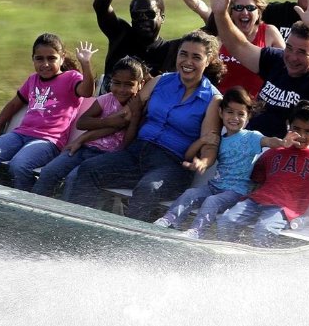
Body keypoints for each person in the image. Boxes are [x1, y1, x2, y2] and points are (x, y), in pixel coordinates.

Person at [64, 31, 224, 220]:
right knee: (90, 169)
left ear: (209, 60)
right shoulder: (160, 81)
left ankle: (132, 245)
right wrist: (84, 136)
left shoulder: (212, 99)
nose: (187, 62)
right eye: (183, 54)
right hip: (137, 153)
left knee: (147, 189)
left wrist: (203, 162)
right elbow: (124, 116)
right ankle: (80, 229)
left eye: (196, 57)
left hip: (171, 164)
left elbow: (210, 143)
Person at [206, 0, 309, 139]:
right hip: (250, 145)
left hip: (285, 156)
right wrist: (221, 14)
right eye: (289, 48)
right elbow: (238, 46)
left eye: (302, 52)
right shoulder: (276, 60)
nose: (292, 57)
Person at [152, 86, 293, 239]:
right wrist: (202, 147)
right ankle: (171, 220)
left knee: (212, 201)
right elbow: (190, 154)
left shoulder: (251, 137)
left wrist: (283, 142)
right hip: (215, 186)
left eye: (241, 114)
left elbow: (269, 141)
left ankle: (197, 231)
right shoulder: (218, 137)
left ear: (248, 116)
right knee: (190, 193)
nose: (235, 118)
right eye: (230, 112)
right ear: (221, 113)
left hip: (236, 192)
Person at [215, 99, 309, 246]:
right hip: (256, 200)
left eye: (308, 131)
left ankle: (256, 266)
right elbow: (256, 180)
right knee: (226, 221)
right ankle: (229, 258)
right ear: (288, 125)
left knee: (263, 229)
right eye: (296, 129)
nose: (301, 135)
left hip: (284, 209)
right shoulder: (274, 152)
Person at [0, 34, 96, 191]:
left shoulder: (71, 78)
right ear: (33, 59)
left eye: (51, 58)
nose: (45, 64)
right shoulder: (32, 80)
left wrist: (86, 64)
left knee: (19, 165)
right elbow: (12, 105)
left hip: (48, 141)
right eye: (39, 59)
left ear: (62, 58)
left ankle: (25, 202)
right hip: (20, 135)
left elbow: (88, 91)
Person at [166, 0, 284, 98]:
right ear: (231, 12)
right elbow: (201, 7)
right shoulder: (221, 28)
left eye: (251, 8)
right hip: (220, 105)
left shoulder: (269, 33)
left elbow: (284, 67)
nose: (244, 12)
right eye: (238, 8)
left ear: (259, 12)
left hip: (255, 107)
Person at [31, 56, 147, 198]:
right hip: (84, 148)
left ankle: (66, 216)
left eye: (129, 84)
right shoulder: (106, 100)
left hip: (106, 157)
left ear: (140, 84)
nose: (122, 89)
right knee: (50, 171)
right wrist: (109, 122)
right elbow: (82, 122)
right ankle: (35, 210)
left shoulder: (138, 108)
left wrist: (135, 116)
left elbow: (127, 143)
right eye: (116, 83)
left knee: (74, 179)